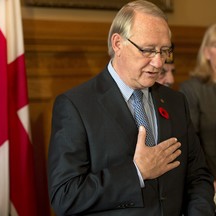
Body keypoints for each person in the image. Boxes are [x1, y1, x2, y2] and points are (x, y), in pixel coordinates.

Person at [48, 1, 215, 215]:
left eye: (164, 50)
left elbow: (198, 176)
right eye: (148, 50)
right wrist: (136, 172)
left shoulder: (175, 102)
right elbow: (64, 196)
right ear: (118, 44)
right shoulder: (76, 106)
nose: (158, 62)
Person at [180, 24, 216, 195]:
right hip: (209, 180)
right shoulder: (191, 90)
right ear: (207, 52)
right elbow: (191, 144)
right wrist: (209, 181)